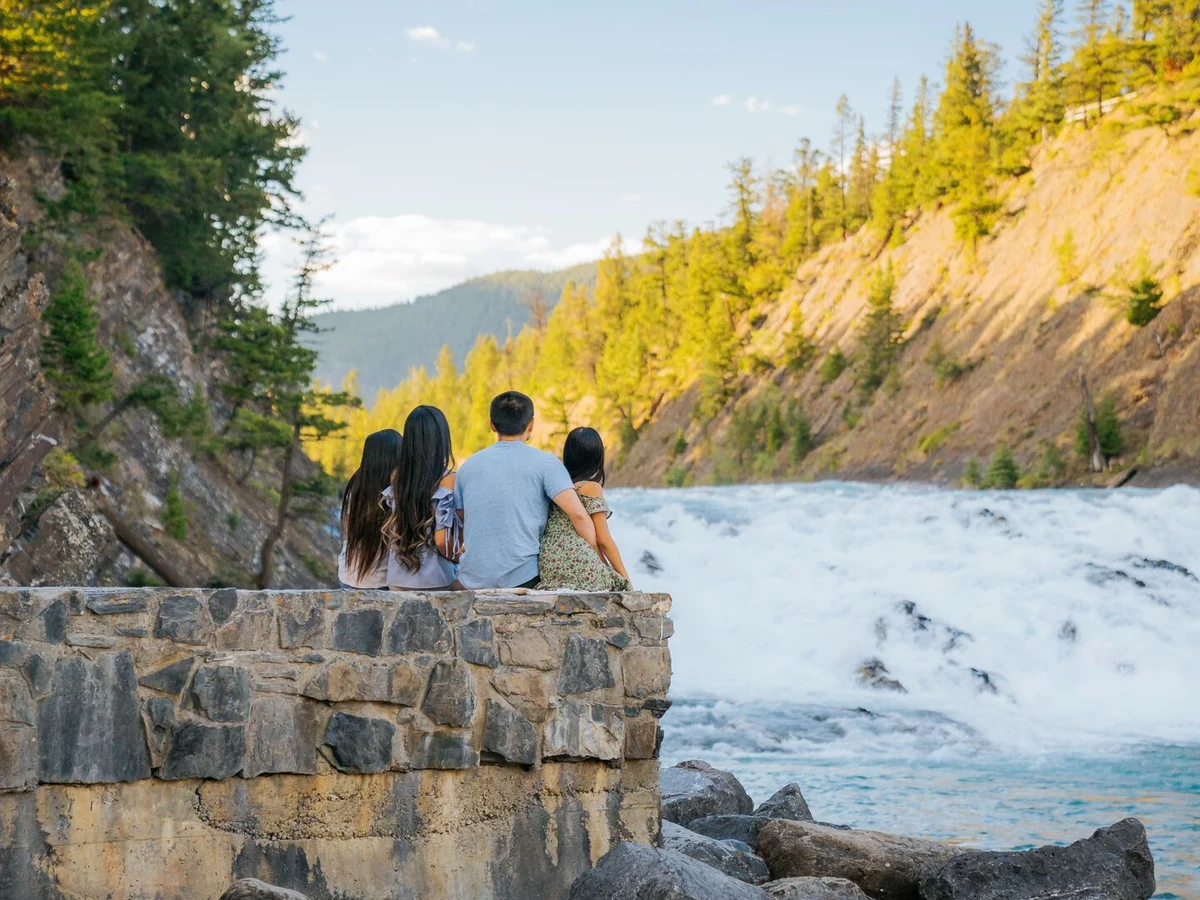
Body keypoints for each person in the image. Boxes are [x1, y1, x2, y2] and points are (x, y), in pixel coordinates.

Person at [454, 391, 597, 589]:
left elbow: (462, 520)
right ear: (531, 424)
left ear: (492, 424)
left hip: (472, 579)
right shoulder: (546, 463)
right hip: (523, 578)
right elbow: (579, 516)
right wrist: (596, 556)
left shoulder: (467, 468)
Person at [538, 427, 632, 591]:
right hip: (581, 561)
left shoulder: (558, 488)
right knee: (618, 584)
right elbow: (603, 540)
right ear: (597, 457)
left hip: (548, 564)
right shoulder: (591, 487)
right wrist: (625, 577)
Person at [382, 405, 462, 590]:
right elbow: (442, 541)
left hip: (397, 579)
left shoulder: (397, 477)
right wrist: (461, 558)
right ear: (442, 439)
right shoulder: (448, 479)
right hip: (436, 579)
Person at [337, 429, 402, 589]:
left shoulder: (356, 484)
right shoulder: (396, 491)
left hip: (348, 575)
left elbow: (348, 528)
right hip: (381, 581)